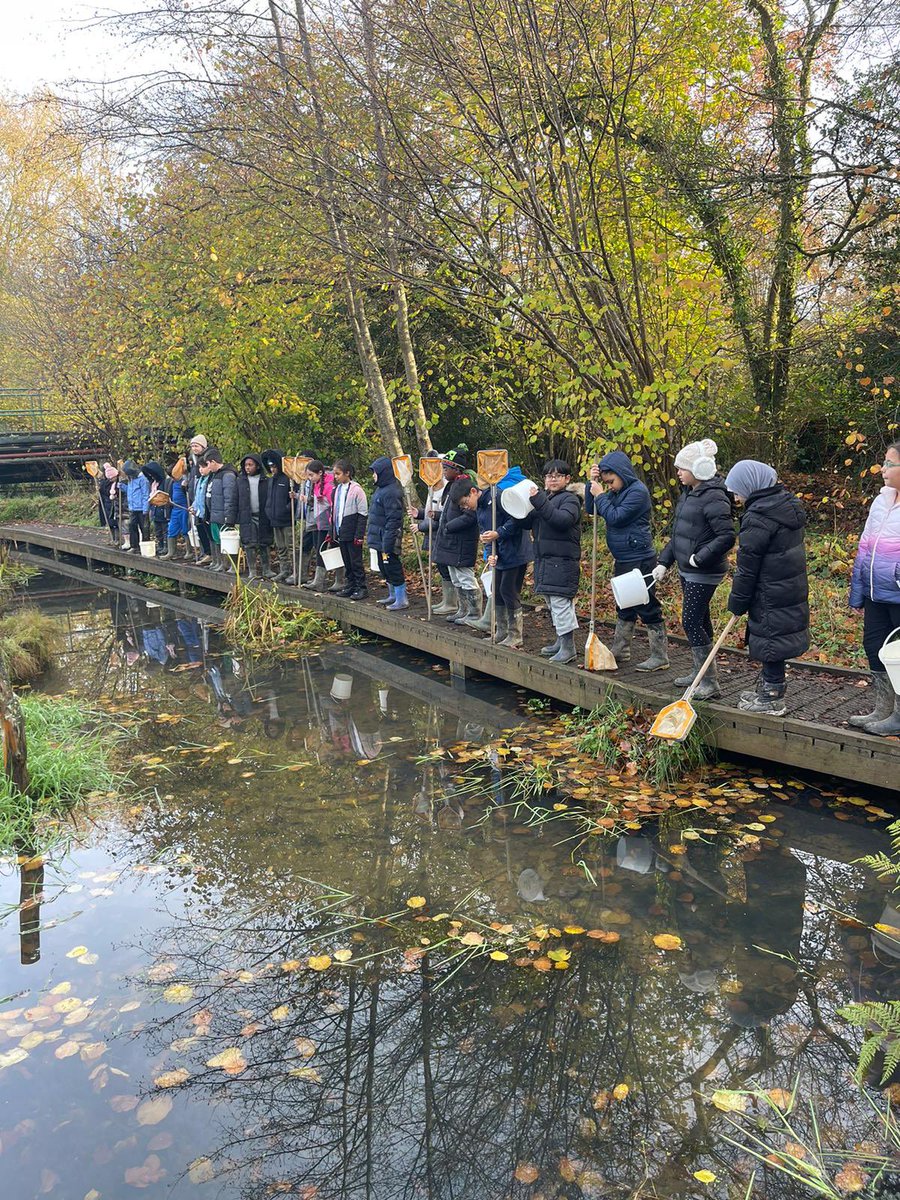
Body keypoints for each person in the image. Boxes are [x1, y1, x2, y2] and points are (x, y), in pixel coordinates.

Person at [724, 460, 809, 716]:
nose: (736, 497)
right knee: (774, 636)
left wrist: (738, 601)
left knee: (770, 639)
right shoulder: (784, 506)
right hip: (787, 586)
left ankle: (772, 698)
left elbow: (747, 568)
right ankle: (768, 688)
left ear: (751, 486)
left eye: (738, 491)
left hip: (769, 590)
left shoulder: (759, 517)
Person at [654, 439, 735, 698]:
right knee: (700, 619)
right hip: (688, 569)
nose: (677, 472)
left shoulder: (713, 496)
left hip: (704, 571)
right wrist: (663, 562)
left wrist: (700, 558)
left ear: (699, 469)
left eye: (682, 468)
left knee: (690, 621)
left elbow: (726, 537)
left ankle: (709, 683)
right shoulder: (690, 494)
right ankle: (700, 672)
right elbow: (678, 535)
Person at [586, 451, 669, 671]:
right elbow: (591, 509)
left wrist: (600, 495)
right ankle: (621, 649)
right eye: (607, 483)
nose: (610, 486)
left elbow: (615, 517)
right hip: (622, 557)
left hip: (640, 557)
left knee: (646, 603)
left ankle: (660, 655)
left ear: (622, 474)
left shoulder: (638, 492)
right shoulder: (616, 491)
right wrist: (591, 484)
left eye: (611, 481)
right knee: (624, 603)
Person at [849, 441, 900, 735]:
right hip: (875, 592)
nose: (883, 469)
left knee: (899, 654)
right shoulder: (881, 501)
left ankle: (899, 716)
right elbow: (865, 547)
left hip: (897, 593)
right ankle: (883, 708)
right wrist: (858, 590)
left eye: (890, 464)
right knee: (874, 648)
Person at [523, 460, 583, 664]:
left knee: (560, 603)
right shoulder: (546, 499)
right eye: (549, 476)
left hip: (562, 561)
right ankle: (561, 641)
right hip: (545, 560)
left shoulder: (571, 500)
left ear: (567, 479)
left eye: (558, 476)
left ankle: (569, 648)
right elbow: (527, 522)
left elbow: (561, 520)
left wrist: (539, 501)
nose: (553, 479)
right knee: (552, 602)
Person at [409, 446, 473, 615]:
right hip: (447, 537)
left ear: (456, 469)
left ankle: (469, 611)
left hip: (457, 540)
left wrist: (447, 526)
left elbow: (468, 515)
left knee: (463, 577)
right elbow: (445, 512)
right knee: (453, 574)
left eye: (446, 468)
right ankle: (460, 608)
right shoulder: (451, 486)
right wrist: (428, 514)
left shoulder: (464, 486)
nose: (443, 471)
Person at [475, 464, 533, 646]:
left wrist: (499, 533)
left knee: (508, 590)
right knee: (496, 589)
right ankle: (501, 630)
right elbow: (486, 530)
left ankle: (515, 634)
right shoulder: (482, 504)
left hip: (515, 551)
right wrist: (489, 553)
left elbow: (515, 521)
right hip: (499, 553)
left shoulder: (501, 495)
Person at [434, 476, 482, 625]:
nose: (464, 506)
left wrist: (450, 526)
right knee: (456, 578)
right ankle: (463, 609)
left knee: (466, 578)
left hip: (463, 544)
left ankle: (474, 612)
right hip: (451, 544)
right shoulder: (455, 491)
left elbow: (469, 518)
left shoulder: (473, 500)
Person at [368, 456, 407, 610]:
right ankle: (392, 594)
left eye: (375, 472)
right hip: (378, 538)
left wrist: (388, 542)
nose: (373, 475)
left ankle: (401, 598)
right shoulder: (381, 490)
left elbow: (394, 519)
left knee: (392, 566)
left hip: (387, 539)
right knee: (383, 567)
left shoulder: (392, 492)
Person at [331, 459, 368, 600]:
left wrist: (359, 535)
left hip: (353, 531)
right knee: (346, 561)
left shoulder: (357, 490)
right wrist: (332, 531)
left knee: (355, 561)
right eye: (334, 474)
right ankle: (350, 585)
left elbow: (363, 513)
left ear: (347, 473)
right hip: (341, 530)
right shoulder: (337, 490)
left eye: (338, 474)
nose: (336, 477)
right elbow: (334, 513)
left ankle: (361, 587)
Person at [237, 454, 274, 580]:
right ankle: (252, 570)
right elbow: (235, 499)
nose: (248, 468)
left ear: (257, 466)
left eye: (250, 465)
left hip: (263, 515)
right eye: (246, 465)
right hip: (247, 516)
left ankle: (266, 569)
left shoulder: (266, 481)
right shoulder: (240, 480)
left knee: (264, 542)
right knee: (249, 543)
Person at [300, 459, 335, 592]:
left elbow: (332, 504)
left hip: (327, 522)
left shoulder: (329, 484)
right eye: (308, 475)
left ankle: (321, 580)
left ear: (320, 473)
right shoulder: (315, 484)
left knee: (323, 550)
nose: (309, 478)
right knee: (317, 549)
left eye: (311, 475)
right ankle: (318, 579)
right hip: (317, 521)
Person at [261, 449, 295, 582]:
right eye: (270, 467)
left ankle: (294, 571)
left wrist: (287, 509)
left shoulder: (288, 479)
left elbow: (293, 498)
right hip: (274, 519)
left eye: (274, 466)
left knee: (290, 546)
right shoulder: (271, 480)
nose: (272, 469)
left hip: (286, 519)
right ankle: (284, 570)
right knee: (281, 548)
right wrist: (269, 511)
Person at [202, 448, 239, 573]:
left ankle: (232, 565)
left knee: (228, 541)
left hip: (223, 515)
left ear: (213, 462)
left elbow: (230, 498)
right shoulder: (214, 475)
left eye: (207, 464)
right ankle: (221, 563)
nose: (207, 467)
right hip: (213, 514)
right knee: (217, 539)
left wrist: (229, 517)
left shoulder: (228, 475)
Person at [185, 435, 212, 564]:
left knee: (206, 528)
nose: (194, 448)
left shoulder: (208, 457)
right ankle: (205, 552)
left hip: (205, 499)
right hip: (196, 496)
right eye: (192, 446)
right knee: (198, 526)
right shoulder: (194, 461)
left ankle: (210, 553)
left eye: (196, 446)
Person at [160, 458, 189, 559]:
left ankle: (189, 551)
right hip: (175, 508)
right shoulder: (171, 482)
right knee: (171, 529)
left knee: (186, 529)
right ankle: (171, 552)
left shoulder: (185, 480)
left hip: (184, 508)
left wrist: (185, 486)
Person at [142, 460, 169, 555]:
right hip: (154, 509)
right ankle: (160, 545)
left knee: (165, 529)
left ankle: (166, 546)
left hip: (162, 509)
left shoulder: (164, 483)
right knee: (158, 530)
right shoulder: (152, 483)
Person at [122, 459, 149, 552]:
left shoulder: (143, 480)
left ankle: (146, 545)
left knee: (144, 528)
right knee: (132, 526)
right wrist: (122, 487)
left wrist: (146, 508)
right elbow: (130, 491)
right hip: (132, 508)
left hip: (141, 508)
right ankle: (134, 546)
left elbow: (146, 494)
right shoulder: (131, 479)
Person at [98, 462, 119, 541]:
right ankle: (114, 539)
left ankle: (116, 539)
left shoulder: (115, 483)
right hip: (108, 505)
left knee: (115, 523)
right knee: (112, 523)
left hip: (113, 505)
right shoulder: (105, 484)